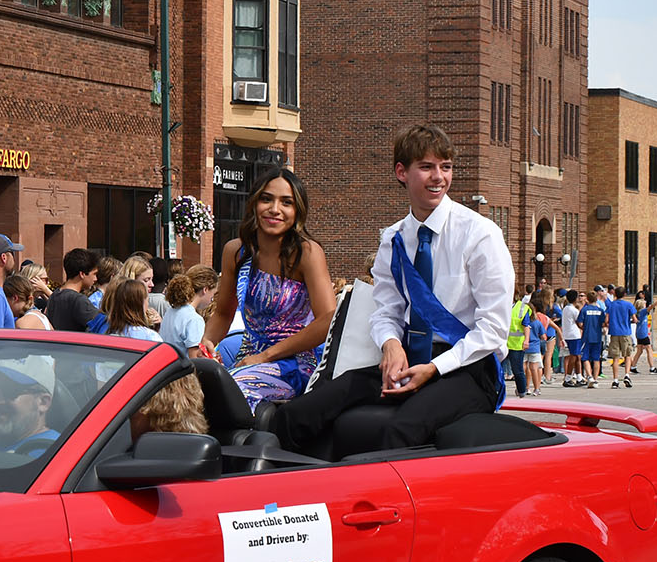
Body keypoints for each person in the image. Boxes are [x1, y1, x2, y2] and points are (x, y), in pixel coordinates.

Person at [274, 125, 511, 452]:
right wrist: (390, 346)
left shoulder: (481, 235)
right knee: (296, 415)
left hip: (469, 368)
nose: (438, 177)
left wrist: (433, 368)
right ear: (402, 172)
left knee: (400, 430)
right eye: (427, 167)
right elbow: (386, 312)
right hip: (410, 360)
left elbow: (494, 331)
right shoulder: (394, 240)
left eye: (446, 167)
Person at [204, 168, 334, 408]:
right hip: (247, 359)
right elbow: (223, 313)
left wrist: (265, 357)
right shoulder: (236, 251)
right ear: (254, 203)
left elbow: (327, 320)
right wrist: (204, 346)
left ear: (297, 211)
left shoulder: (307, 253)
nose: (275, 209)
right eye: (267, 199)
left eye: (287, 202)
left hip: (294, 365)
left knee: (228, 395)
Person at [161, 266, 218, 353]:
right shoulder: (194, 319)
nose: (212, 299)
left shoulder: (170, 311)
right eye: (213, 294)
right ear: (205, 289)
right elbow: (195, 359)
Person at [45, 248, 101, 332]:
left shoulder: (55, 295)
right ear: (82, 274)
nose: (96, 278)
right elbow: (102, 324)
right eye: (94, 274)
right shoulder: (79, 300)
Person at [605, 286, 637, 388]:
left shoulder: (611, 305)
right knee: (627, 355)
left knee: (615, 358)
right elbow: (634, 319)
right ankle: (627, 375)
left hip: (614, 333)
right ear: (625, 295)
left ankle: (615, 380)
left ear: (615, 294)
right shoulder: (628, 305)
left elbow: (606, 320)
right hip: (625, 332)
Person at [577, 289, 607, 388]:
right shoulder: (600, 310)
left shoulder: (584, 310)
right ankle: (595, 379)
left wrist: (583, 328)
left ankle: (589, 376)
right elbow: (603, 323)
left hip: (587, 336)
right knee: (596, 358)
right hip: (597, 337)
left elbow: (580, 323)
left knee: (585, 358)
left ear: (588, 299)